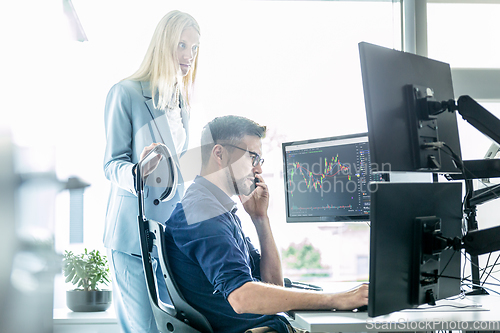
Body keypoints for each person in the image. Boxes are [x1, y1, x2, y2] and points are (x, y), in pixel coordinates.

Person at [164, 115, 369, 333]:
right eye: (252, 158)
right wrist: (336, 299)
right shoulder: (202, 213)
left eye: (260, 161)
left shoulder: (217, 210)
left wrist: (260, 219)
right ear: (219, 154)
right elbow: (241, 297)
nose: (258, 170)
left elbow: (273, 285)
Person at [103, 10, 200, 333]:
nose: (189, 56)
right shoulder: (126, 92)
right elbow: (111, 163)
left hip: (168, 238)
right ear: (164, 44)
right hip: (133, 236)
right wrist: (137, 172)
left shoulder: (181, 102)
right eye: (182, 45)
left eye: (194, 48)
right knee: (146, 329)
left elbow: (177, 170)